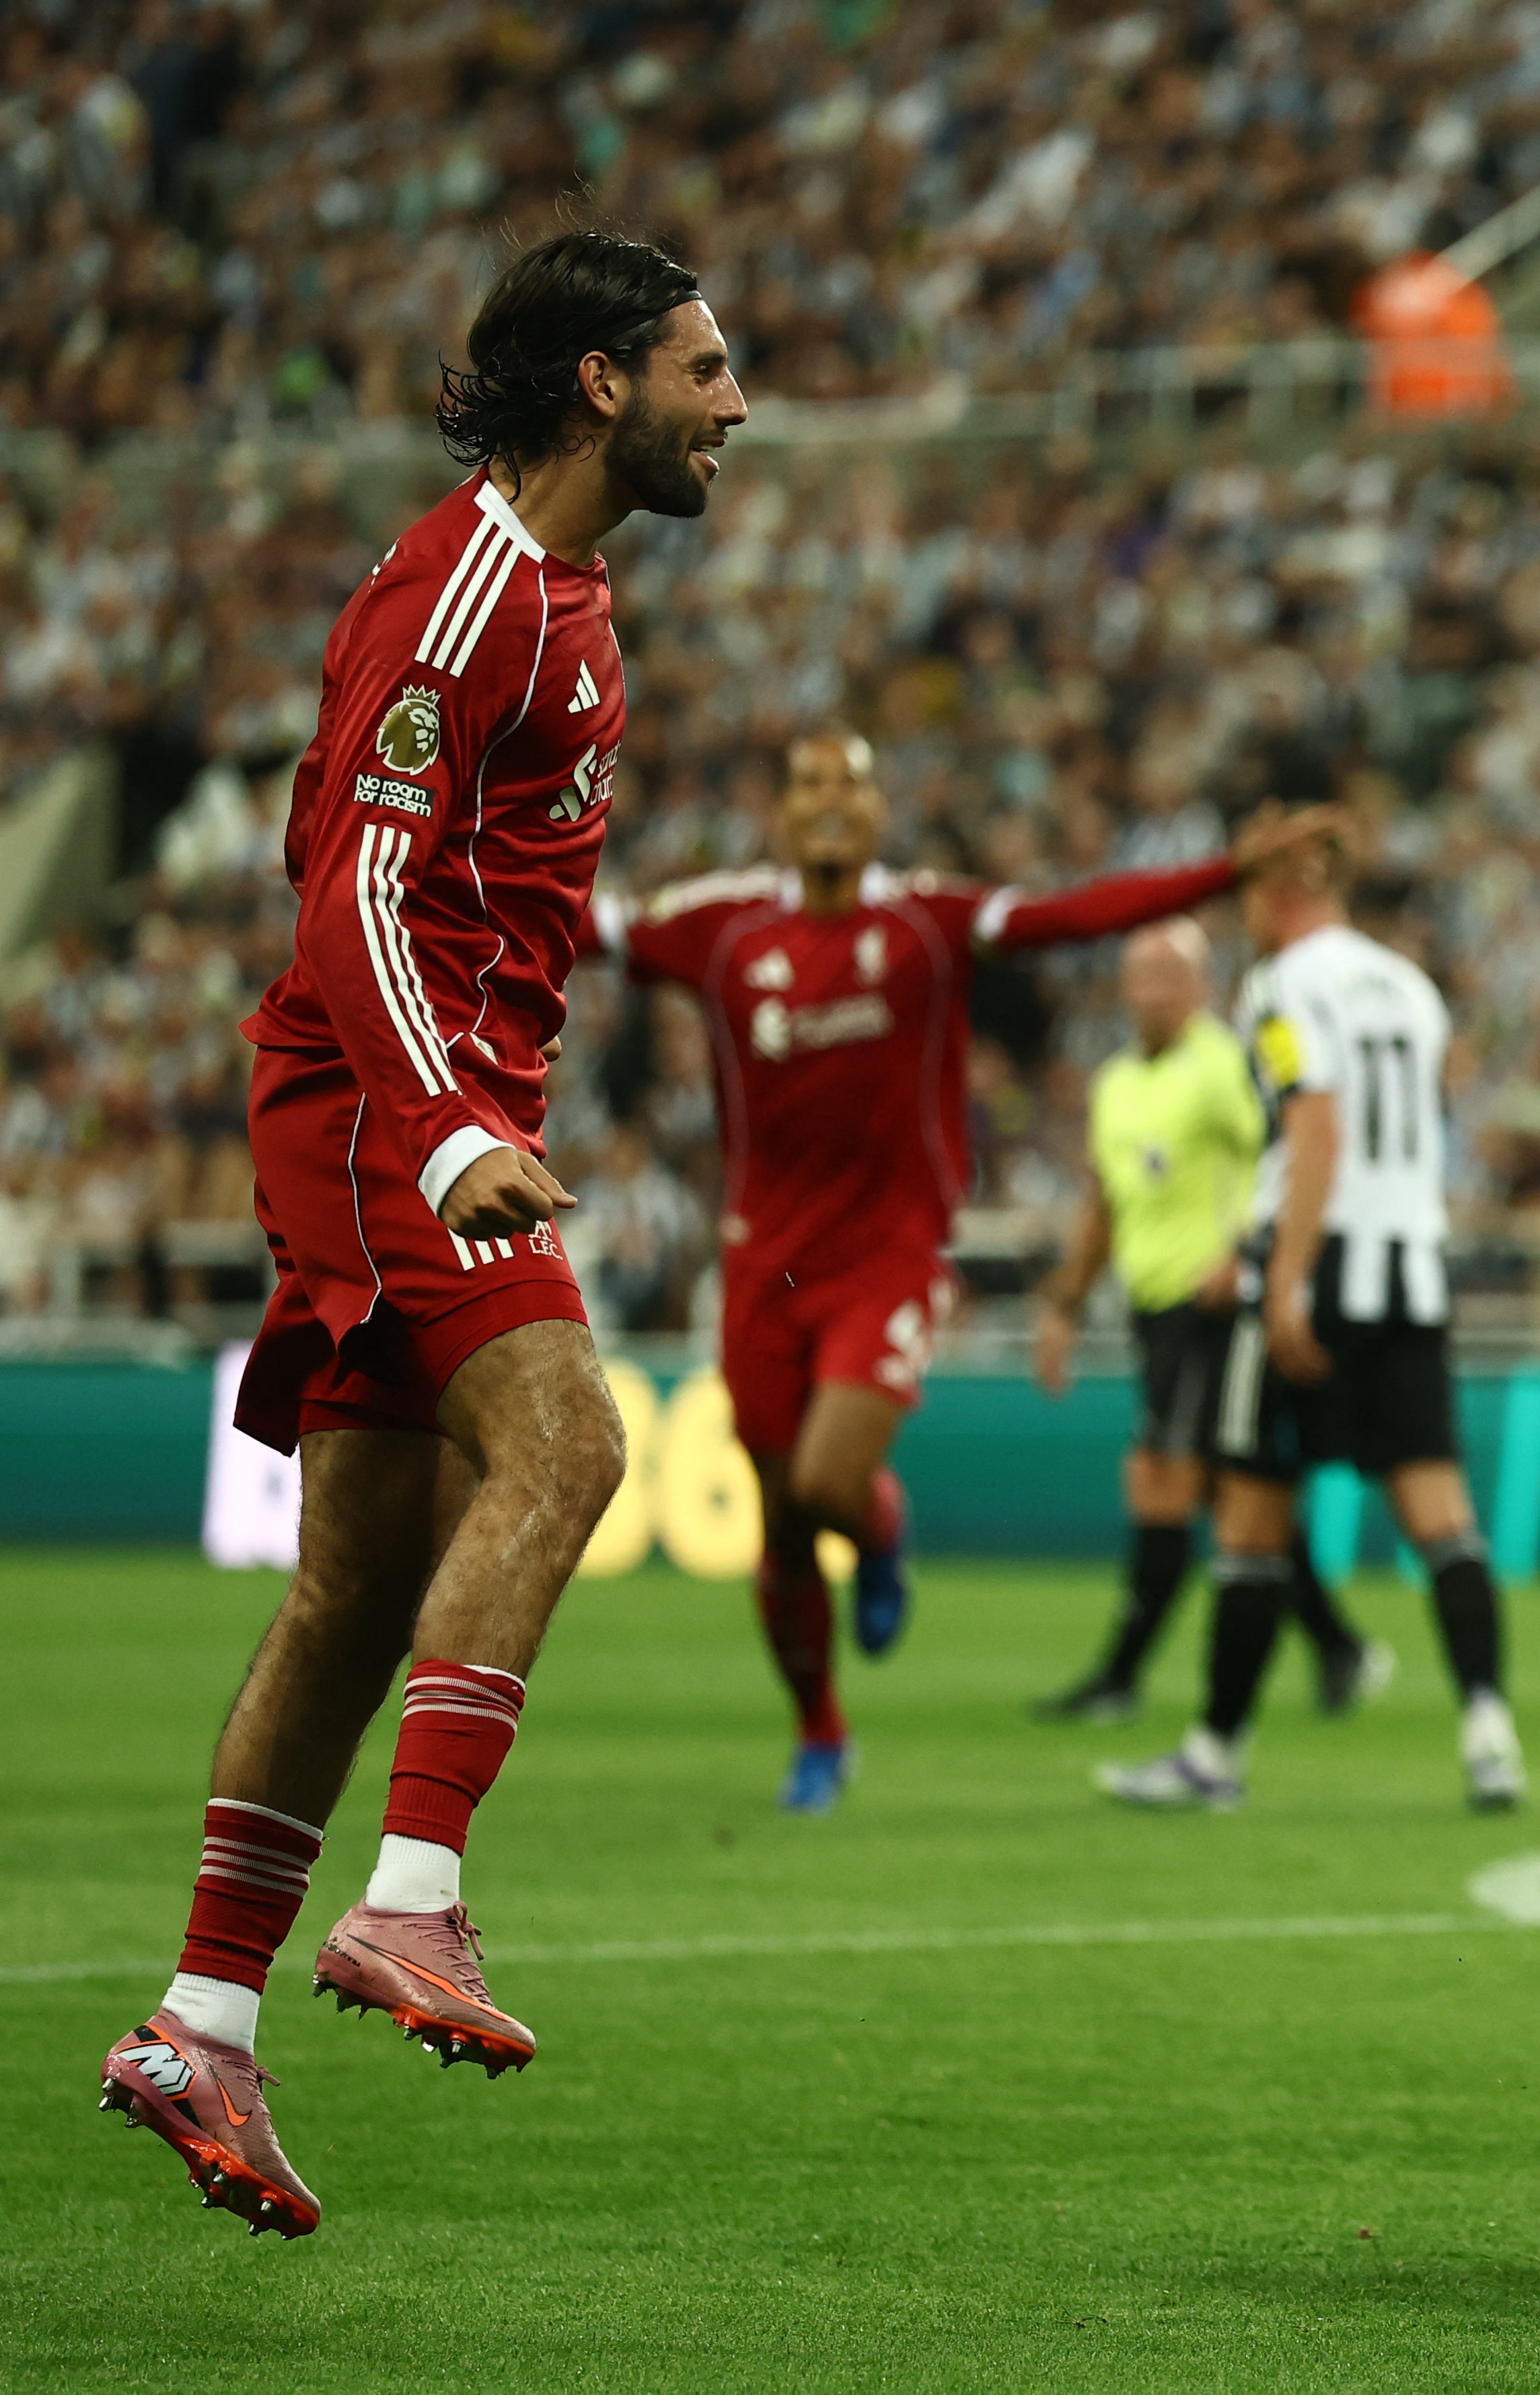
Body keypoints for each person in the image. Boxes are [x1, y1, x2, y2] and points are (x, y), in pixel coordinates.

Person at [98, 228, 747, 2238]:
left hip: (441, 1095)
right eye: (705, 368)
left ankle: (204, 2018)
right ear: (599, 385)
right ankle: (410, 1903)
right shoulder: (459, 591)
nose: (738, 403)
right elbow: (351, 896)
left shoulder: (570, 592)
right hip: (390, 1098)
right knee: (573, 1442)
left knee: (362, 1582)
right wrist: (449, 1121)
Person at [595, 735, 1323, 1812]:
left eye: (851, 783)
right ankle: (819, 1734)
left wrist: (1226, 871)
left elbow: (1077, 916)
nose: (832, 803)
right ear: (784, 813)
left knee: (831, 1485)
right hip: (763, 1266)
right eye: (810, 787)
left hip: (885, 1256)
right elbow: (573, 924)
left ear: (881, 806)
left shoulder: (929, 923)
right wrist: (423, 865)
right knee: (783, 1523)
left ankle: (884, 1537)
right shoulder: (723, 925)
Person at [1095, 836, 1524, 1814]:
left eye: (1248, 887)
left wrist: (1282, 1280)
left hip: (1318, 1267)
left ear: (1280, 889)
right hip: (1410, 1270)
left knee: (1250, 1514)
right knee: (1440, 1515)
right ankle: (1490, 1734)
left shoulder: (1279, 986)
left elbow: (1317, 1122)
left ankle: (1215, 1753)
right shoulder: (1411, 985)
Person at [1029, 918, 1385, 1723]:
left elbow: (1285, 1149)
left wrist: (1248, 1251)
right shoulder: (1116, 1083)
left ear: (1199, 984)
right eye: (1141, 973)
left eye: (1170, 973)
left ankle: (1119, 1676)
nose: (1154, 989)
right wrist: (1065, 1306)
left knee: (1164, 1477)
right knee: (1229, 1496)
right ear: (1123, 988)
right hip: (1151, 1308)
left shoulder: (1226, 1064)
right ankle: (1339, 1645)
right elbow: (1103, 1203)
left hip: (1215, 1308)